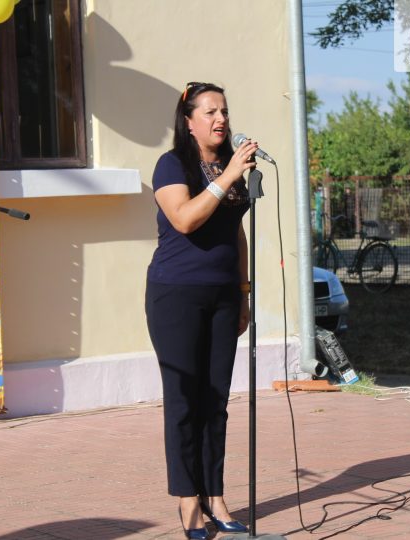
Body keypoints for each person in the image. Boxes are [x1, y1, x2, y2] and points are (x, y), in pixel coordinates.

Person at [145, 82, 258, 539]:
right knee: (184, 402)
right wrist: (228, 176)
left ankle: (215, 495)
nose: (221, 119)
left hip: (224, 295)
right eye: (210, 112)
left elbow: (235, 232)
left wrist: (244, 292)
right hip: (176, 295)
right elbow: (186, 218)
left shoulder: (228, 165)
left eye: (224, 111)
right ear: (189, 121)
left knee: (216, 402)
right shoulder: (172, 164)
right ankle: (187, 500)